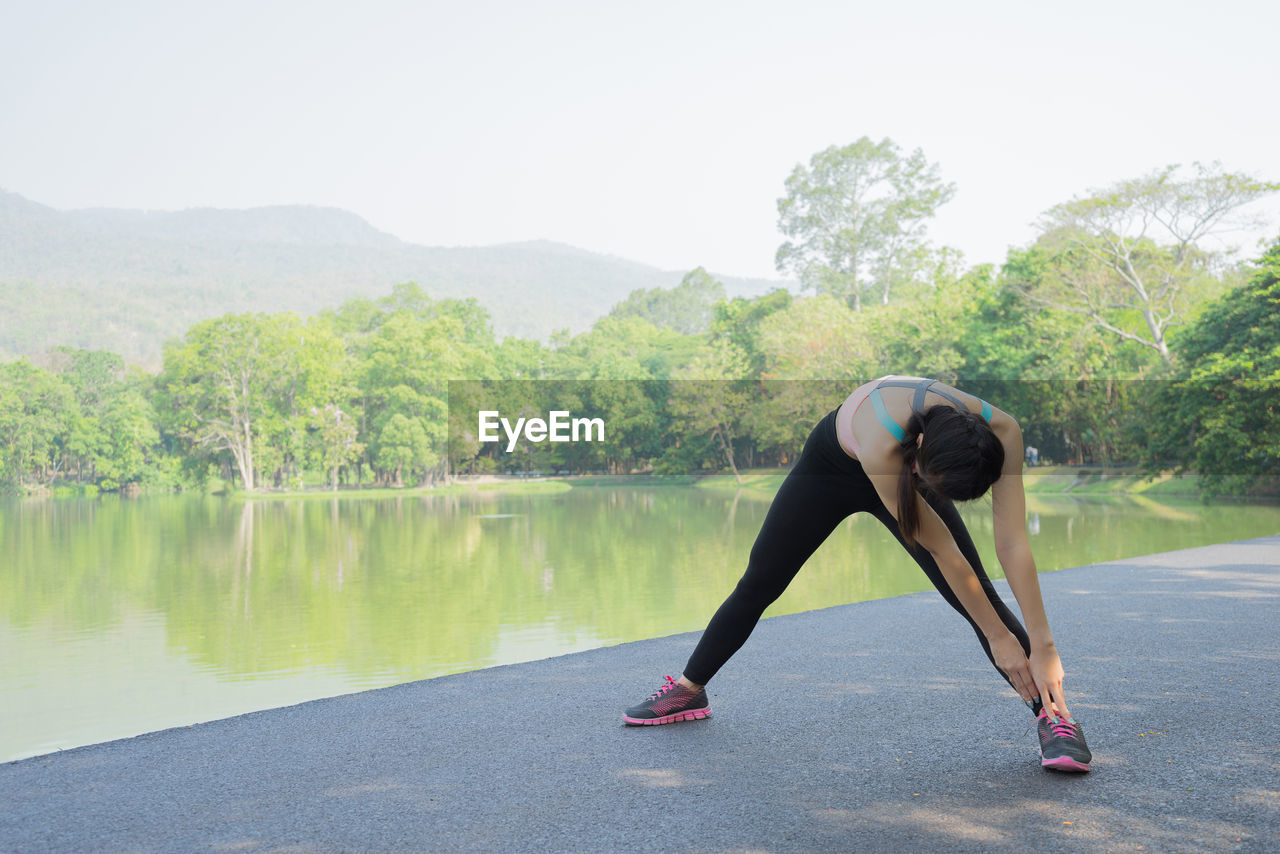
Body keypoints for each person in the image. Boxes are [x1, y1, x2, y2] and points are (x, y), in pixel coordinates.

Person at [622, 375, 1092, 773]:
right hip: (832, 467)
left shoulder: (1003, 432)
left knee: (978, 596)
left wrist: (1044, 645)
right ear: (921, 453)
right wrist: (1000, 638)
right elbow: (944, 550)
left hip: (912, 461)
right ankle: (689, 691)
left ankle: (1054, 716)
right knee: (760, 580)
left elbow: (1012, 544)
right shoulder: (885, 448)